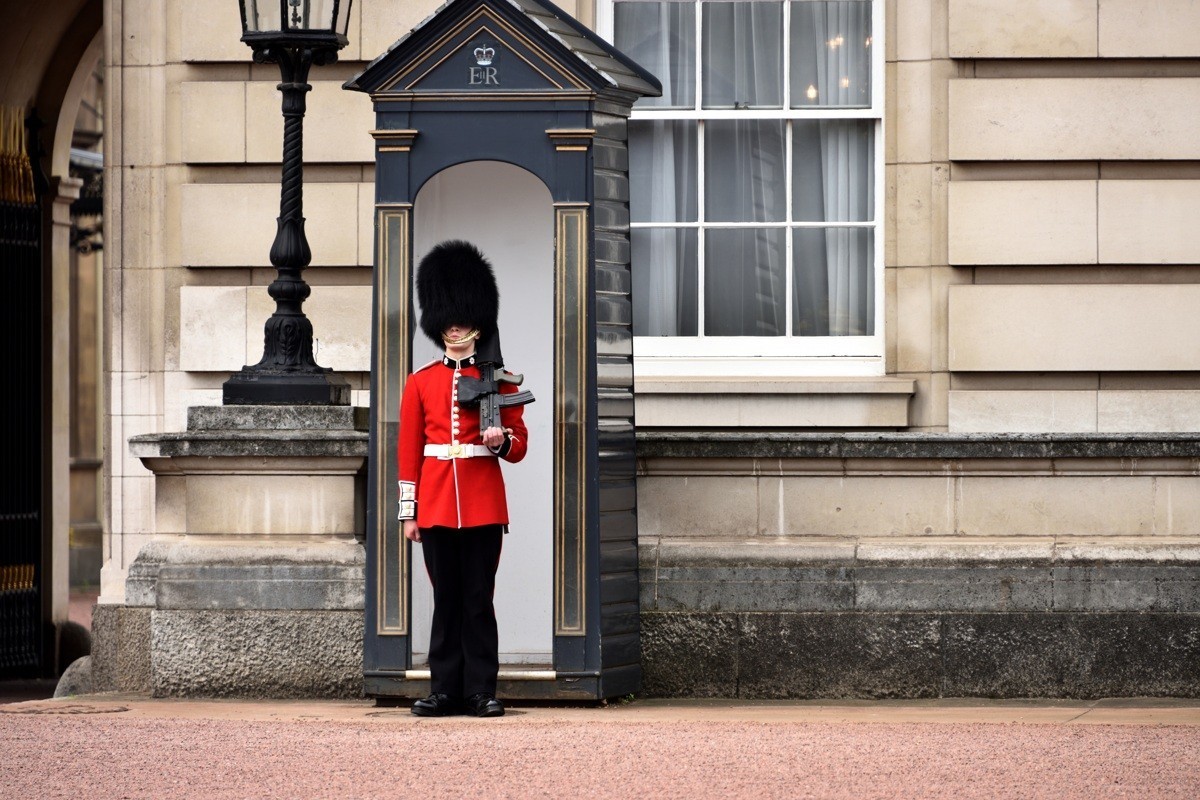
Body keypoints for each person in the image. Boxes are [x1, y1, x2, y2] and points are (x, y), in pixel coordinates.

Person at [398, 240, 528, 718]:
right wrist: (409, 513)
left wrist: (499, 441)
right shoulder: (421, 381)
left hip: (483, 505)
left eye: (461, 317)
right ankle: (445, 690)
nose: (454, 326)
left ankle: (479, 690)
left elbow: (520, 445)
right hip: (434, 505)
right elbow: (409, 450)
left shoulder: (501, 380)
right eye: (447, 318)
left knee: (477, 600)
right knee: (445, 600)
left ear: (477, 319)